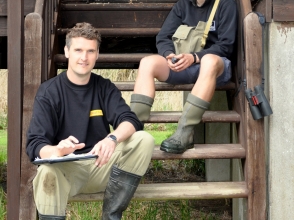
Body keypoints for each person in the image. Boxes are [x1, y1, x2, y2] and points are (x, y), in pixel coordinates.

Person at [26, 22, 155, 220]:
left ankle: (111, 215)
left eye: (90, 51)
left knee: (144, 140)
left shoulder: (104, 87)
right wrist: (57, 150)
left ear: (97, 54)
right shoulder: (49, 92)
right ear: (67, 51)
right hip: (66, 172)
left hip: (101, 165)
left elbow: (130, 120)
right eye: (78, 50)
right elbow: (35, 144)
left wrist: (112, 138)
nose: (84, 58)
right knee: (46, 173)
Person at [130, 0, 238, 154]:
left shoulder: (226, 4)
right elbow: (163, 37)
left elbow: (226, 46)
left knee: (209, 61)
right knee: (147, 62)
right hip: (183, 64)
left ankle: (184, 132)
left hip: (214, 67)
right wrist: (169, 55)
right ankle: (133, 127)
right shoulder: (183, 5)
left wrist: (194, 57)